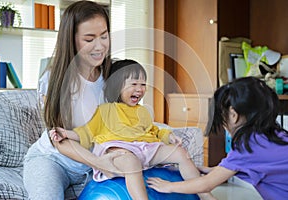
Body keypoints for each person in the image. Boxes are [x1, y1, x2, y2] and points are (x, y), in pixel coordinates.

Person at [50, 59, 215, 200]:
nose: (140, 89)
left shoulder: (142, 111)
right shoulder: (106, 110)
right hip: (120, 153)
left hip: (145, 149)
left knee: (180, 152)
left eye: (143, 84)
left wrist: (168, 136)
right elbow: (86, 132)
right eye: (134, 84)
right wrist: (66, 133)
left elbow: (153, 130)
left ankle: (203, 193)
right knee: (131, 162)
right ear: (117, 86)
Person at [23, 1, 121, 199]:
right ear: (71, 39)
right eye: (89, 39)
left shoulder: (114, 74)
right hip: (53, 160)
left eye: (104, 36)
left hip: (95, 162)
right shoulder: (54, 79)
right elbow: (59, 138)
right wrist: (100, 163)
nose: (100, 46)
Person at [147, 77, 288, 199]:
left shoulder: (248, 145)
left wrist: (169, 186)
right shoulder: (274, 135)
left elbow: (205, 184)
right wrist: (213, 170)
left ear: (233, 115)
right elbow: (248, 166)